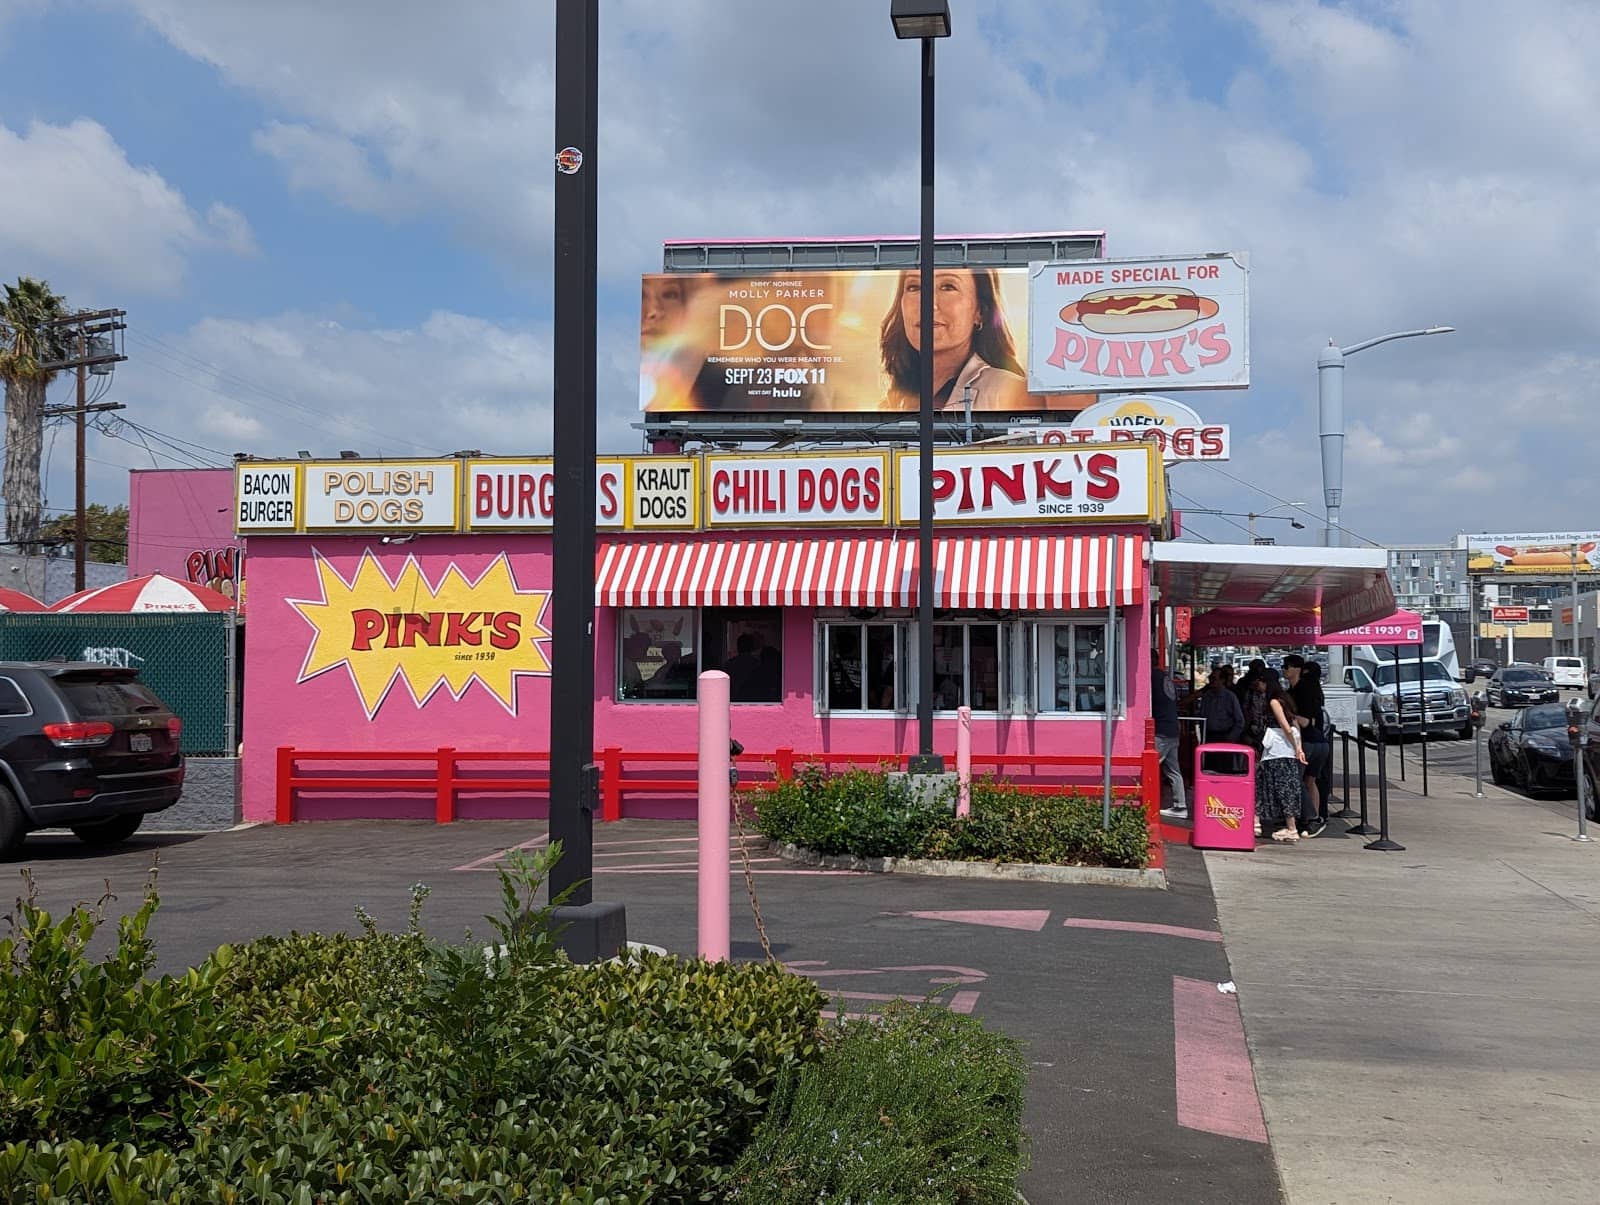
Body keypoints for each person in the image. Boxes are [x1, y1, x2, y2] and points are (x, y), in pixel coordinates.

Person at [879, 267, 1029, 412]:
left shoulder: (1012, 391)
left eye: (948, 287)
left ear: (980, 311)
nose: (927, 304)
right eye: (914, 287)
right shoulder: (893, 401)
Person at [1283, 655, 1330, 838]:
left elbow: (1305, 722)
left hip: (1307, 742)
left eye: (1287, 666)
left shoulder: (1303, 690)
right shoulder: (1305, 689)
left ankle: (1311, 817)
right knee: (1310, 781)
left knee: (1296, 780)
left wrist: (1286, 714)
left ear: (1297, 669)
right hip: (1318, 742)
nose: (1284, 669)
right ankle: (1313, 818)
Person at [1255, 684, 1307, 842]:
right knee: (1281, 787)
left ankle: (1290, 828)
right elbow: (1295, 727)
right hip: (1286, 753)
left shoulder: (1274, 702)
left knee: (1269, 786)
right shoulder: (1288, 705)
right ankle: (1257, 822)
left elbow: (1287, 728)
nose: (1259, 684)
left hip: (1277, 752)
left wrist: (1297, 749)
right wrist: (1299, 748)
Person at [1152, 652, 1187, 819]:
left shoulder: (1151, 677)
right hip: (1172, 727)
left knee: (1149, 766)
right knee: (1173, 769)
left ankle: (1143, 801)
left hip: (1161, 730)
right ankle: (1180, 805)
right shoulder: (1165, 678)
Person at [1194, 666, 1245, 745]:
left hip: (1225, 736)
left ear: (1222, 680)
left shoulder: (1230, 697)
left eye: (1214, 678)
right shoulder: (1206, 696)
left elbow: (1240, 721)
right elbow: (1202, 718)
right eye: (1210, 678)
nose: (1211, 681)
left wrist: (1231, 737)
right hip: (1209, 737)